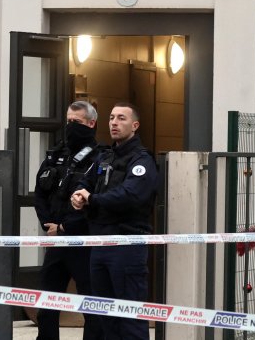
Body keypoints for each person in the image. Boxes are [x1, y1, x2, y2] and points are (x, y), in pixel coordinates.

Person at [70, 102, 158, 340]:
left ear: (135, 125)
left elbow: (130, 196)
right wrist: (78, 195)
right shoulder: (105, 156)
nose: (114, 123)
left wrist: (93, 199)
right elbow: (85, 182)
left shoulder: (142, 161)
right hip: (100, 244)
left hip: (126, 245)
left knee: (129, 318)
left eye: (121, 118)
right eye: (111, 118)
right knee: (104, 317)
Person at [33, 101, 103, 340]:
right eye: (69, 121)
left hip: (84, 243)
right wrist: (49, 226)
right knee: (47, 307)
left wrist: (65, 227)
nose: (71, 126)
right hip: (56, 242)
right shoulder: (55, 156)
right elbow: (40, 193)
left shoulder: (100, 158)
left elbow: (95, 201)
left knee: (92, 308)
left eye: (77, 122)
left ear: (91, 124)